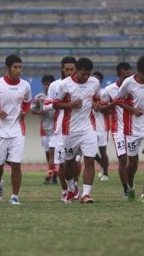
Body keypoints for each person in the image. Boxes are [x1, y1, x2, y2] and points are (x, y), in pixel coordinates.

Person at [114, 56, 144, 203]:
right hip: (131, 129)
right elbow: (117, 100)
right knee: (133, 163)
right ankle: (130, 186)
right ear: (138, 71)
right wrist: (132, 109)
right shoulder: (128, 83)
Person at [0, 54, 31, 205]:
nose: (18, 70)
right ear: (8, 68)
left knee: (16, 164)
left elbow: (27, 102)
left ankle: (14, 197)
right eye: (15, 67)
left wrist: (24, 112)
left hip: (17, 131)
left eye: (20, 67)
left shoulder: (25, 85)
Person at [53, 57, 101, 203]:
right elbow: (55, 104)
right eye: (83, 74)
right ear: (76, 71)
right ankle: (71, 188)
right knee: (69, 162)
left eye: (88, 74)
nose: (86, 77)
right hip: (70, 130)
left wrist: (97, 105)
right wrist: (70, 105)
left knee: (90, 160)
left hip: (88, 128)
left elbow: (97, 99)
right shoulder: (64, 85)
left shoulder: (94, 82)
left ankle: (86, 194)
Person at [43, 56, 79, 201]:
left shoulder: (83, 84)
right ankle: (65, 190)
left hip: (79, 129)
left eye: (72, 69)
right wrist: (61, 105)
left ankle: (75, 185)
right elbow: (46, 105)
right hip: (61, 129)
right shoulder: (55, 85)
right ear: (62, 69)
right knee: (62, 162)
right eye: (67, 69)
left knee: (76, 161)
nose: (69, 72)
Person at [100, 62, 133, 199]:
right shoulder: (109, 90)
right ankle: (126, 188)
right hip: (118, 129)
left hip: (134, 129)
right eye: (124, 76)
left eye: (129, 75)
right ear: (118, 75)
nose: (127, 79)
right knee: (122, 159)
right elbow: (102, 109)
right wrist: (114, 103)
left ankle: (131, 183)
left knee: (133, 160)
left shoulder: (134, 87)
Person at [31, 75, 56, 185]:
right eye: (45, 84)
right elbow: (32, 110)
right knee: (47, 153)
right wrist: (38, 112)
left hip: (56, 129)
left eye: (49, 84)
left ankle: (50, 172)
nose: (47, 86)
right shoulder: (39, 97)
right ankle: (54, 173)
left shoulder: (57, 96)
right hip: (44, 129)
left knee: (52, 152)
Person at [91, 71, 110, 182]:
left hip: (103, 126)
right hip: (90, 127)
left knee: (102, 151)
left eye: (97, 79)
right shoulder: (87, 92)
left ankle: (106, 173)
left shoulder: (104, 93)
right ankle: (103, 165)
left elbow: (109, 108)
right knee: (90, 151)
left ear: (101, 81)